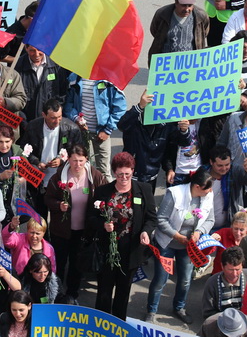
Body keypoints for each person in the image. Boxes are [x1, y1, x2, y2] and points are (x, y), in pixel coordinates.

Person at [88, 152, 157, 320]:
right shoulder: (103, 191)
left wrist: (146, 232)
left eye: (128, 173)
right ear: (114, 173)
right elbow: (90, 218)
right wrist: (103, 225)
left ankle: (118, 323)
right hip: (107, 250)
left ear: (133, 171)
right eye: (120, 174)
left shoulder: (144, 189)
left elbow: (151, 218)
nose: (124, 178)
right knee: (104, 290)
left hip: (131, 250)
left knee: (123, 291)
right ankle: (101, 323)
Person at [146, 169, 215, 324]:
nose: (210, 191)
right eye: (207, 188)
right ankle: (151, 310)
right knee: (160, 279)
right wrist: (176, 236)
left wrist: (199, 231)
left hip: (188, 246)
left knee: (185, 280)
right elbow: (161, 219)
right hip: (167, 243)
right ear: (197, 186)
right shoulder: (174, 194)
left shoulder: (208, 196)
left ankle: (179, 307)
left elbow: (210, 220)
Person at [45, 143, 106, 300]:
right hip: (61, 231)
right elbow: (48, 199)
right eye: (74, 161)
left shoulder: (95, 176)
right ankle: (56, 293)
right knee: (59, 263)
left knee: (76, 264)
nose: (77, 164)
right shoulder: (58, 177)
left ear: (86, 159)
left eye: (81, 160)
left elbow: (105, 194)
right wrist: (58, 205)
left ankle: (72, 294)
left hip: (83, 231)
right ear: (68, 161)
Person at [118, 90, 191, 195]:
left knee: (146, 207)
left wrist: (184, 131)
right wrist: (139, 106)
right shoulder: (135, 119)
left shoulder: (167, 125)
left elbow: (182, 143)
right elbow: (121, 125)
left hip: (151, 176)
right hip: (130, 173)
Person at [19, 98, 83, 215]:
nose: (57, 121)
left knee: (58, 217)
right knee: (39, 216)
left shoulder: (72, 129)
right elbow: (23, 151)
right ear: (44, 115)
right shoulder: (33, 127)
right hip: (39, 178)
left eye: (59, 117)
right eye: (53, 118)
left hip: (60, 179)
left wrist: (61, 160)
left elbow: (79, 153)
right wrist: (37, 162)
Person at [64, 74, 126, 181]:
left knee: (103, 171)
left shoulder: (109, 80)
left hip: (102, 133)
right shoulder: (75, 77)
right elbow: (68, 104)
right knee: (82, 168)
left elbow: (120, 108)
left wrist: (107, 130)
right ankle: (86, 195)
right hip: (81, 132)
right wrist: (76, 119)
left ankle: (105, 196)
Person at [202, 146, 247, 232]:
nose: (224, 168)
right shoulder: (202, 173)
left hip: (228, 227)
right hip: (203, 227)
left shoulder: (235, 171)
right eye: (220, 165)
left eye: (227, 164)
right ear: (211, 162)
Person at [148, 0, 210, 65]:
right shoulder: (162, 14)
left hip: (190, 63)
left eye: (190, 5)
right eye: (183, 5)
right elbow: (155, 31)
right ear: (176, 3)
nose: (187, 9)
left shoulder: (201, 16)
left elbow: (204, 33)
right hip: (166, 62)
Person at [14, 44, 69, 125]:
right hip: (26, 124)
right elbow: (14, 96)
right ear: (26, 48)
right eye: (32, 50)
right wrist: (23, 121)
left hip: (50, 123)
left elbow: (63, 93)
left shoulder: (57, 66)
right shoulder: (17, 66)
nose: (37, 54)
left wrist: (54, 115)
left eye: (40, 49)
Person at [202, 246, 247, 319]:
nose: (234, 274)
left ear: (242, 265)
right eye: (230, 270)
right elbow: (208, 313)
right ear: (222, 266)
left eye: (237, 269)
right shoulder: (212, 283)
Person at [211, 210, 247, 274]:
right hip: (220, 273)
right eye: (235, 229)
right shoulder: (223, 233)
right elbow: (206, 252)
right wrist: (211, 242)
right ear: (231, 226)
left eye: (241, 230)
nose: (238, 233)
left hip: (239, 276)